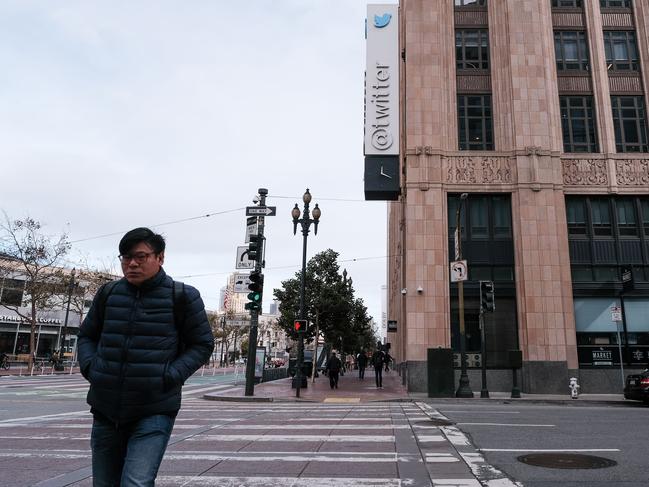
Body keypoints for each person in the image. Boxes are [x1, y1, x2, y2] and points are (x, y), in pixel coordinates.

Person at [77, 227, 214, 486]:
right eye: (125, 257)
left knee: (136, 482)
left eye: (140, 256)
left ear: (160, 258)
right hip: (106, 408)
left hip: (154, 408)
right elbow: (86, 336)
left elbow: (202, 343)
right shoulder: (108, 293)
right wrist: (91, 367)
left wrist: (169, 376)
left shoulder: (182, 296)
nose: (131, 263)